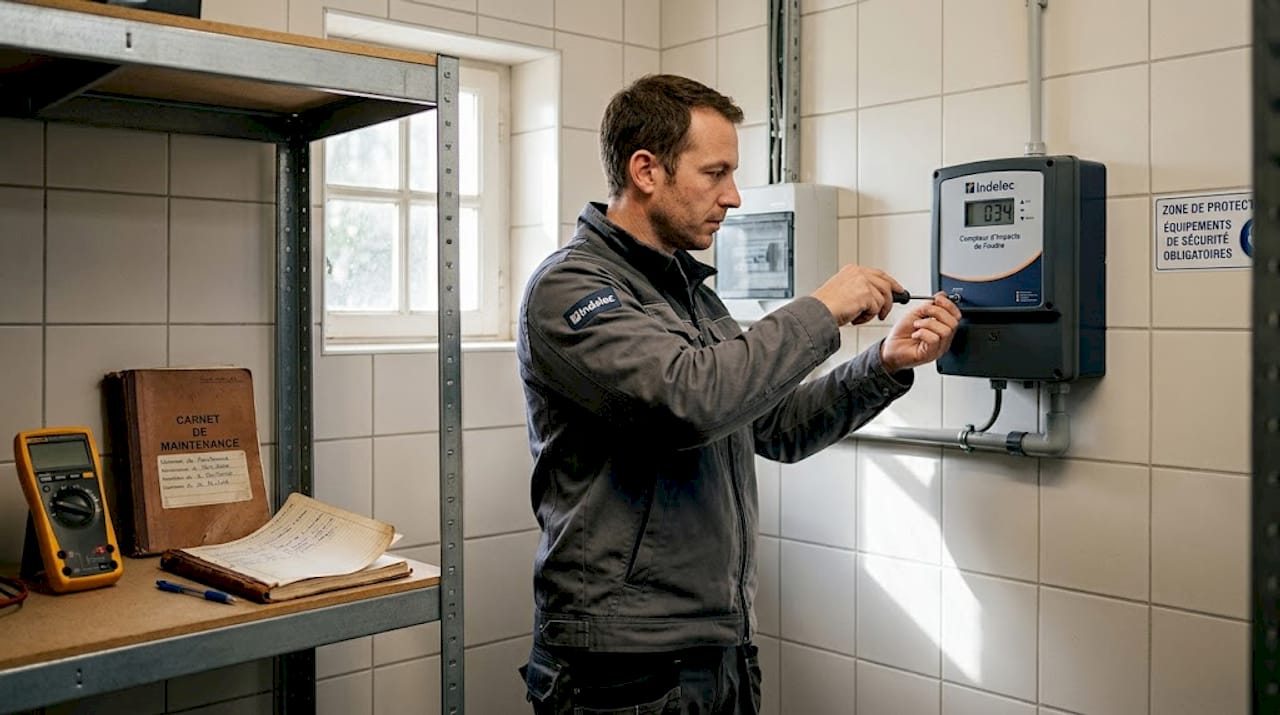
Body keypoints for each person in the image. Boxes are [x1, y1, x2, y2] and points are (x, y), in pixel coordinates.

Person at [515, 74, 961, 714]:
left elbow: (774, 426)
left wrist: (884, 364)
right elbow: (688, 402)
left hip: (716, 646)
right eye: (715, 172)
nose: (733, 195)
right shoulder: (572, 290)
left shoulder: (691, 293)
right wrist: (822, 308)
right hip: (624, 664)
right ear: (646, 170)